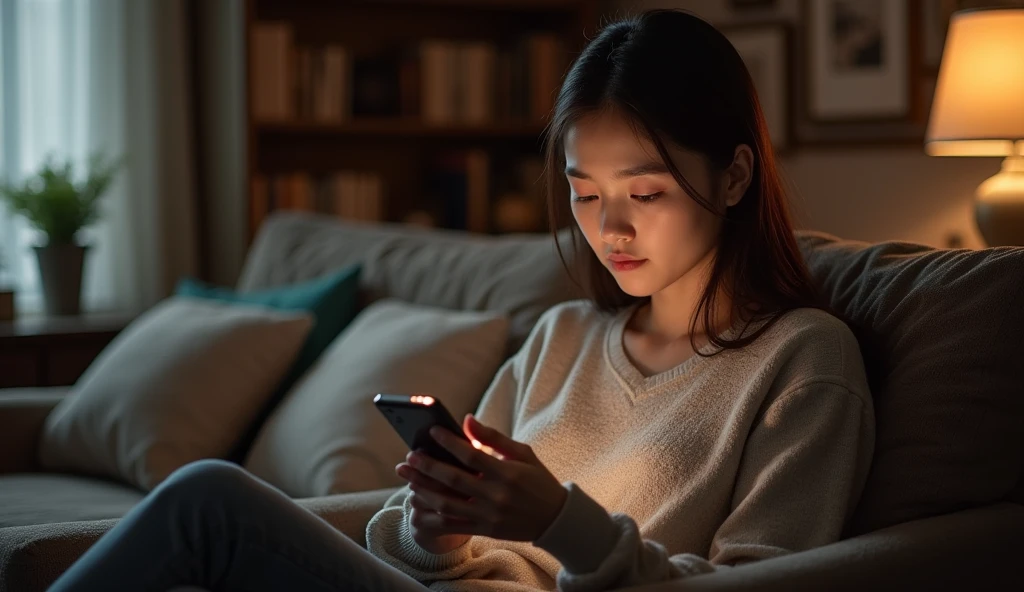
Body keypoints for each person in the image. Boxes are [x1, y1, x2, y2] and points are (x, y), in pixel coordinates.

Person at [48, 8, 874, 592]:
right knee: (204, 503)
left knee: (207, 503)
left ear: (732, 175)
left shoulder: (804, 361)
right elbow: (430, 551)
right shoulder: (563, 336)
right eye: (584, 193)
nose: (609, 227)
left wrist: (561, 523)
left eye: (646, 191)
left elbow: (762, 581)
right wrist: (434, 527)